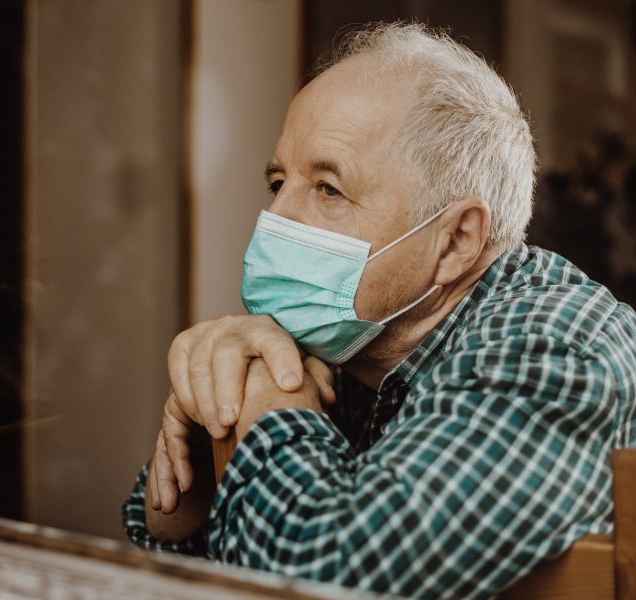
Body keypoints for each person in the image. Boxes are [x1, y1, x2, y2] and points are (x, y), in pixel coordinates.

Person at [122, 22, 636, 599]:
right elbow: (164, 556)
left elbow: (331, 578)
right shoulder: (357, 334)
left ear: (457, 240)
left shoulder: (557, 346)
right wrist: (208, 442)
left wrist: (270, 398)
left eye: (328, 189)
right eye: (277, 182)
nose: (276, 219)